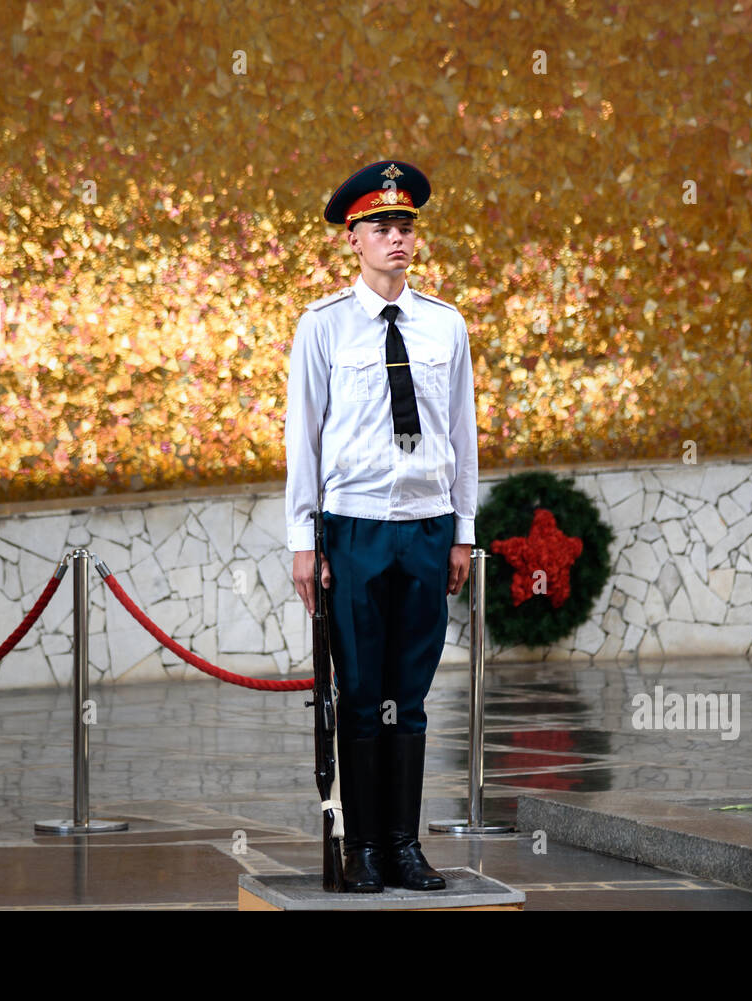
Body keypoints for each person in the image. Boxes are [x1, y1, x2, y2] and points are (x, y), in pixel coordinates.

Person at [284, 159, 479, 892]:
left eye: (404, 226)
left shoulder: (444, 323)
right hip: (357, 527)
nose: (396, 238)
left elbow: (462, 432)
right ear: (353, 240)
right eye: (381, 227)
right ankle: (361, 845)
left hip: (426, 527)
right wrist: (304, 540)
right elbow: (301, 439)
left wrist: (463, 528)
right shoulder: (324, 327)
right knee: (362, 694)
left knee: (412, 696)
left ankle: (403, 843)